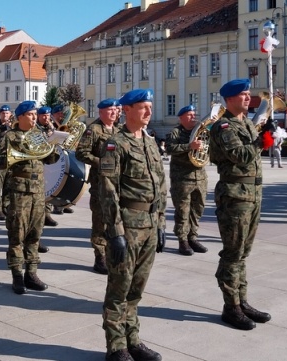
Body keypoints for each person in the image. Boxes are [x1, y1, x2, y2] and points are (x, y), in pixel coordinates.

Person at [99, 89, 165, 361]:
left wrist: (160, 223)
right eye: (143, 107)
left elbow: (161, 185)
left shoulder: (149, 143)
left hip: (150, 224)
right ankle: (116, 347)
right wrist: (115, 233)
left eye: (150, 107)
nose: (149, 112)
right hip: (128, 225)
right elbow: (107, 189)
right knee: (119, 288)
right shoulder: (116, 144)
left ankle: (133, 340)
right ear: (127, 110)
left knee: (136, 289)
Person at [209, 78, 272, 331]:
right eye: (244, 94)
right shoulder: (224, 126)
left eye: (248, 94)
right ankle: (231, 306)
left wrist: (264, 136)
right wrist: (261, 141)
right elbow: (240, 156)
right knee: (233, 253)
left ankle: (241, 301)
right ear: (230, 98)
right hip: (235, 195)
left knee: (243, 253)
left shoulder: (246, 123)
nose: (248, 98)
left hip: (252, 193)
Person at [0, 100, 61, 295]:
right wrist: (14, 154)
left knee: (35, 234)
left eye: (35, 114)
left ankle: (31, 273)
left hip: (38, 192)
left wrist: (53, 143)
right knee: (17, 235)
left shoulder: (38, 134)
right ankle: (16, 275)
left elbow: (50, 159)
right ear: (21, 116)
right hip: (19, 192)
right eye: (31, 115)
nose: (34, 118)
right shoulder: (10, 136)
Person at [75, 98, 121, 274]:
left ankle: (111, 254)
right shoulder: (93, 130)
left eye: (115, 110)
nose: (113, 113)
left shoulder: (118, 130)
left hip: (116, 183)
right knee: (100, 221)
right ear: (101, 112)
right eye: (109, 110)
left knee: (114, 220)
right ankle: (99, 257)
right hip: (100, 183)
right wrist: (100, 162)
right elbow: (81, 153)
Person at [165, 104, 209, 256]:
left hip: (200, 177)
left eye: (193, 114)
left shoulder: (201, 131)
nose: (193, 117)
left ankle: (193, 237)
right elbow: (170, 149)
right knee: (183, 211)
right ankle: (182, 240)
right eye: (189, 115)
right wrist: (189, 146)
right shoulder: (175, 132)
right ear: (181, 118)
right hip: (182, 179)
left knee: (198, 209)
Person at [35, 106, 59, 228]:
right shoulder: (35, 129)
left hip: (50, 161)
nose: (46, 118)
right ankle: (40, 215)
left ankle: (47, 213)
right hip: (39, 162)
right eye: (44, 116)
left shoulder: (50, 127)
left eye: (48, 116)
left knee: (49, 187)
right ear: (38, 116)